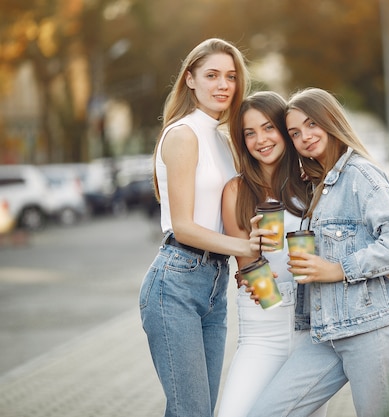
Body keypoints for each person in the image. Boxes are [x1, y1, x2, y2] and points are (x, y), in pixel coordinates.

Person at [247, 87, 389, 417]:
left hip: (370, 329)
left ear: (331, 120)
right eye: (295, 133)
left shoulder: (360, 175)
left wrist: (339, 269)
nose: (305, 137)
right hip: (326, 333)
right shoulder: (319, 183)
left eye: (312, 124)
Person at [139, 38, 260, 417]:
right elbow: (185, 227)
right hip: (176, 281)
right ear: (190, 80)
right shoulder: (183, 134)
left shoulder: (224, 140)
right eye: (212, 75)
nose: (223, 84)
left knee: (202, 410)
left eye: (230, 76)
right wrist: (247, 248)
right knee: (190, 410)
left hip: (214, 281)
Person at [218, 91, 327, 417]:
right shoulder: (236, 191)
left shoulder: (313, 185)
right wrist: (257, 270)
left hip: (311, 333)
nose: (260, 140)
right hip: (262, 331)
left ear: (284, 130)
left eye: (268, 128)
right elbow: (248, 267)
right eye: (249, 133)